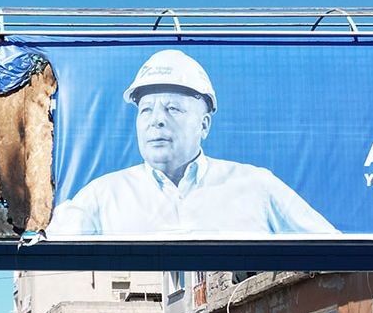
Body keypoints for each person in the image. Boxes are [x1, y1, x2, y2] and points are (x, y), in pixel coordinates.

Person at [46, 49, 336, 236]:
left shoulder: (256, 186)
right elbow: (52, 243)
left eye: (173, 108)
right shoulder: (103, 196)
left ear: (204, 124)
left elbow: (335, 249)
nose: (156, 120)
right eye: (146, 109)